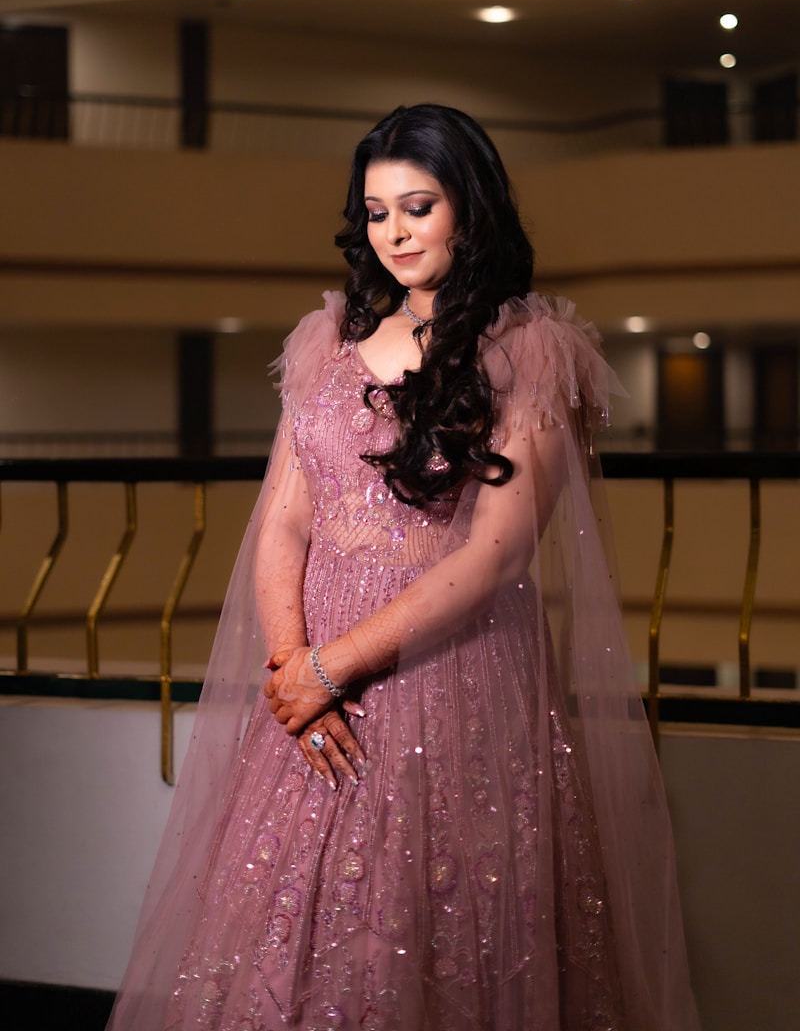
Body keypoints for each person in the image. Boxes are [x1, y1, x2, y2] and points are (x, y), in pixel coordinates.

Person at [107, 104, 700, 1031]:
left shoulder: (529, 352)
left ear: (469, 208)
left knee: (425, 929)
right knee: (289, 936)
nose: (396, 234)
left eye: (418, 207)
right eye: (377, 213)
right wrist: (292, 669)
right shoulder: (330, 343)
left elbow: (498, 554)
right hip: (308, 688)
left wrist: (332, 667)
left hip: (447, 673)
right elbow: (281, 524)